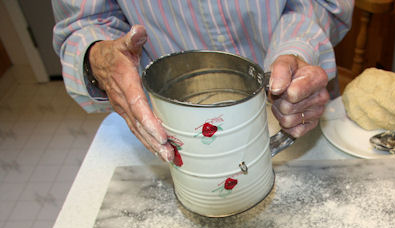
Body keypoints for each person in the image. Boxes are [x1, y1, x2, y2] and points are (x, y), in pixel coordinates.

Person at [51, 0, 353, 163]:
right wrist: (101, 58)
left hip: (298, 113)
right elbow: (83, 22)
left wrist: (296, 48)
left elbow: (322, 3)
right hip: (169, 135)